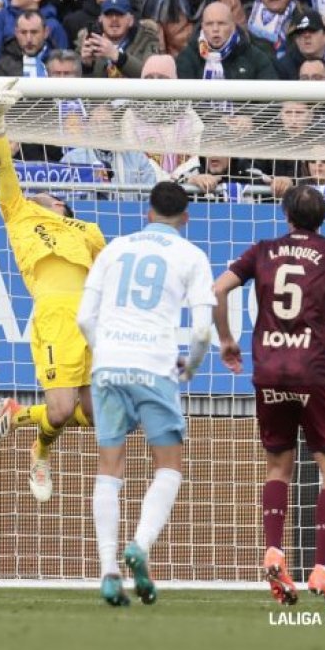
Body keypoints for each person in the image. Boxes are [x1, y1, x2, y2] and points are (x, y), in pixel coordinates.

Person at [212, 185, 325, 610]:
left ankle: (273, 551)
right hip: (314, 371)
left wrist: (227, 340)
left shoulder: (263, 249)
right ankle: (323, 568)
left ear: (286, 215)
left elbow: (217, 291)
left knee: (277, 466)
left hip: (268, 369)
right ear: (323, 217)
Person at [76, 180, 214, 606]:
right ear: (185, 219)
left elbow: (84, 318)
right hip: (155, 365)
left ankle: (108, 571)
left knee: (108, 467)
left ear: (147, 213)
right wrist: (188, 367)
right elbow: (204, 330)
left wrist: (107, 353)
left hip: (109, 364)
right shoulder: (192, 256)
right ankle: (139, 545)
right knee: (168, 467)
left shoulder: (115, 248)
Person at [0, 82, 106, 502]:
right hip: (54, 317)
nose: (38, 195)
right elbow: (4, 170)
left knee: (96, 416)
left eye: (48, 195)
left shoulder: (86, 230)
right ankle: (40, 453)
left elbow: (108, 275)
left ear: (62, 206)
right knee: (58, 411)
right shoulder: (18, 214)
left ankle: (18, 415)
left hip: (91, 320)